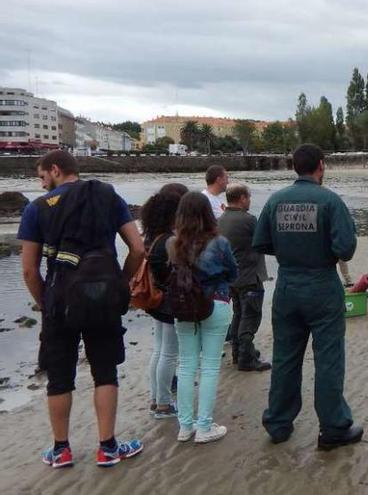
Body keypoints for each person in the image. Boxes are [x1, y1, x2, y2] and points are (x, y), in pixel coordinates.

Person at [17, 150, 145, 468]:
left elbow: (29, 270)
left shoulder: (36, 209)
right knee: (105, 371)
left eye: (42, 176)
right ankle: (108, 448)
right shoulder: (106, 195)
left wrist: (45, 302)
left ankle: (61, 450)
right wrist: (122, 282)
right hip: (103, 296)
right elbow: (138, 248)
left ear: (56, 170)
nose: (41, 182)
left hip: (60, 300)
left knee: (59, 377)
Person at [254, 144, 363, 450]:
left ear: (294, 167)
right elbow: (345, 249)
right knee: (329, 359)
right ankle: (333, 427)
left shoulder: (275, 200)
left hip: (287, 286)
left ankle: (278, 423)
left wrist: (292, 249)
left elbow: (261, 242)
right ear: (320, 166)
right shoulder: (330, 200)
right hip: (321, 286)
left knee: (285, 357)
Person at [169, 192, 238, 443]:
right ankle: (204, 425)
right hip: (216, 303)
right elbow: (233, 272)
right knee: (209, 367)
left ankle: (185, 426)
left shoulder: (174, 244)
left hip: (184, 307)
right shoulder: (218, 242)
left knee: (186, 365)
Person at [218, 183, 271, 372]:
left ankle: (237, 353)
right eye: (248, 197)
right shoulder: (248, 220)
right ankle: (246, 358)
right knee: (250, 317)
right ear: (242, 198)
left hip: (231, 278)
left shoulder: (221, 220)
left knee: (238, 314)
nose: (249, 200)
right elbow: (263, 241)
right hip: (249, 276)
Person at [140, 190, 184, 419]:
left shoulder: (150, 237)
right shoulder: (169, 241)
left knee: (158, 350)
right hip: (169, 302)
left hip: (155, 301)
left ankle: (156, 399)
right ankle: (164, 404)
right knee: (169, 353)